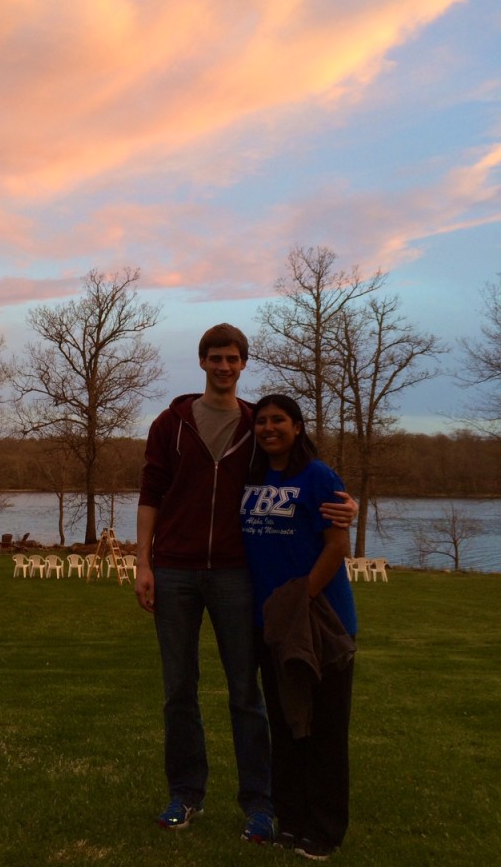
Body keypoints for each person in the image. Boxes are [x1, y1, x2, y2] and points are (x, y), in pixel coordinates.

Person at [135, 324, 355, 841]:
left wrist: (344, 505)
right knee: (178, 690)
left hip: (236, 574)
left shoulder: (257, 424)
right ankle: (185, 794)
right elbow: (150, 493)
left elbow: (295, 471)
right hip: (175, 570)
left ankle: (259, 804)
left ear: (243, 363)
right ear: (202, 361)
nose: (223, 366)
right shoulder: (171, 424)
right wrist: (143, 563)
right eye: (214, 357)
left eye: (232, 358)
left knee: (245, 690)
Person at [240, 394, 357, 862]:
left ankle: (325, 829)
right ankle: (289, 820)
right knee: (288, 727)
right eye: (261, 421)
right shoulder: (250, 478)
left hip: (321, 622)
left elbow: (336, 545)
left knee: (326, 729)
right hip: (271, 624)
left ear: (298, 425)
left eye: (278, 421)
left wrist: (301, 597)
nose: (269, 428)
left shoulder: (318, 476)